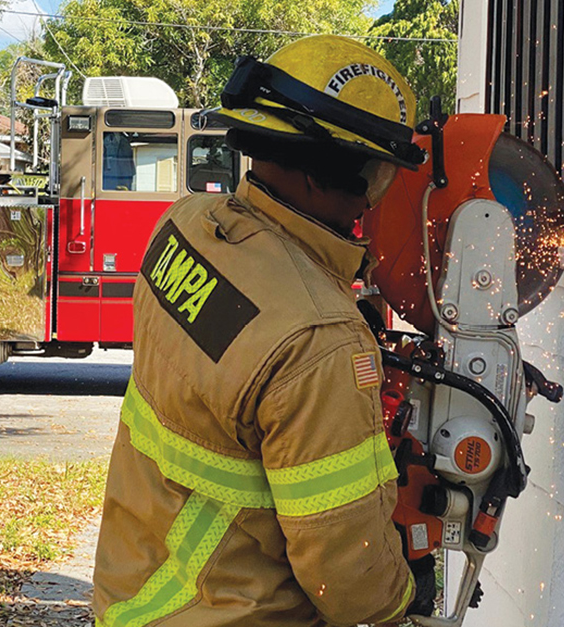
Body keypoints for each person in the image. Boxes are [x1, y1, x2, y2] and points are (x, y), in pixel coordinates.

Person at [93, 34, 426, 627]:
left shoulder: (186, 223)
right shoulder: (318, 342)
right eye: (376, 177)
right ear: (325, 174)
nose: (373, 199)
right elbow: (350, 580)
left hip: (137, 592)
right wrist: (406, 596)